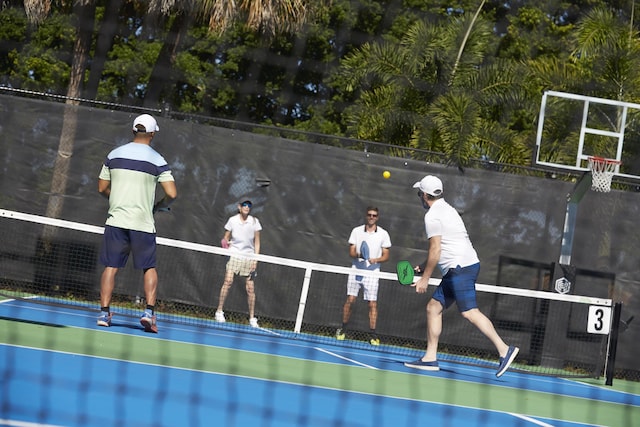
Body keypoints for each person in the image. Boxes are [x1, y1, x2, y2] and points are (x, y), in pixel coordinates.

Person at [405, 175, 518, 377]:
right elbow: (447, 245)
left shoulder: (432, 216)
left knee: (469, 312)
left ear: (424, 195)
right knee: (433, 307)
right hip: (458, 268)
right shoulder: (448, 209)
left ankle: (504, 349)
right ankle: (430, 358)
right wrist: (423, 268)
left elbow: (436, 249)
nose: (418, 197)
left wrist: (425, 279)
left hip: (460, 269)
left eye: (418, 193)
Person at [96, 114, 177, 333]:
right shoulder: (158, 160)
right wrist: (159, 205)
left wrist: (117, 200)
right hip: (142, 223)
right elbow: (172, 193)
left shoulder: (114, 155)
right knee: (149, 267)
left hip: (117, 221)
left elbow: (102, 188)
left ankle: (104, 313)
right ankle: (148, 313)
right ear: (152, 133)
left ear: (133, 131)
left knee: (110, 267)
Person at [336, 206, 391, 345]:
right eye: (369, 215)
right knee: (350, 300)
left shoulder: (383, 234)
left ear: (377, 217)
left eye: (374, 215)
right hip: (356, 271)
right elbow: (351, 252)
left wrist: (376, 260)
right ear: (366, 216)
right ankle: (343, 329)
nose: (371, 217)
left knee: (372, 304)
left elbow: (386, 256)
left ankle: (372, 335)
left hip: (372, 274)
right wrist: (360, 255)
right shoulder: (356, 231)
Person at [215, 200, 262, 327]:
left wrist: (255, 259)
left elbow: (257, 242)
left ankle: (252, 318)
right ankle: (219, 311)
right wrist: (225, 242)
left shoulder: (254, 222)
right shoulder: (232, 220)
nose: (247, 207)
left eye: (249, 206)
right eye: (244, 205)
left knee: (250, 288)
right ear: (239, 207)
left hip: (249, 257)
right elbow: (226, 237)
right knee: (228, 281)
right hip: (234, 255)